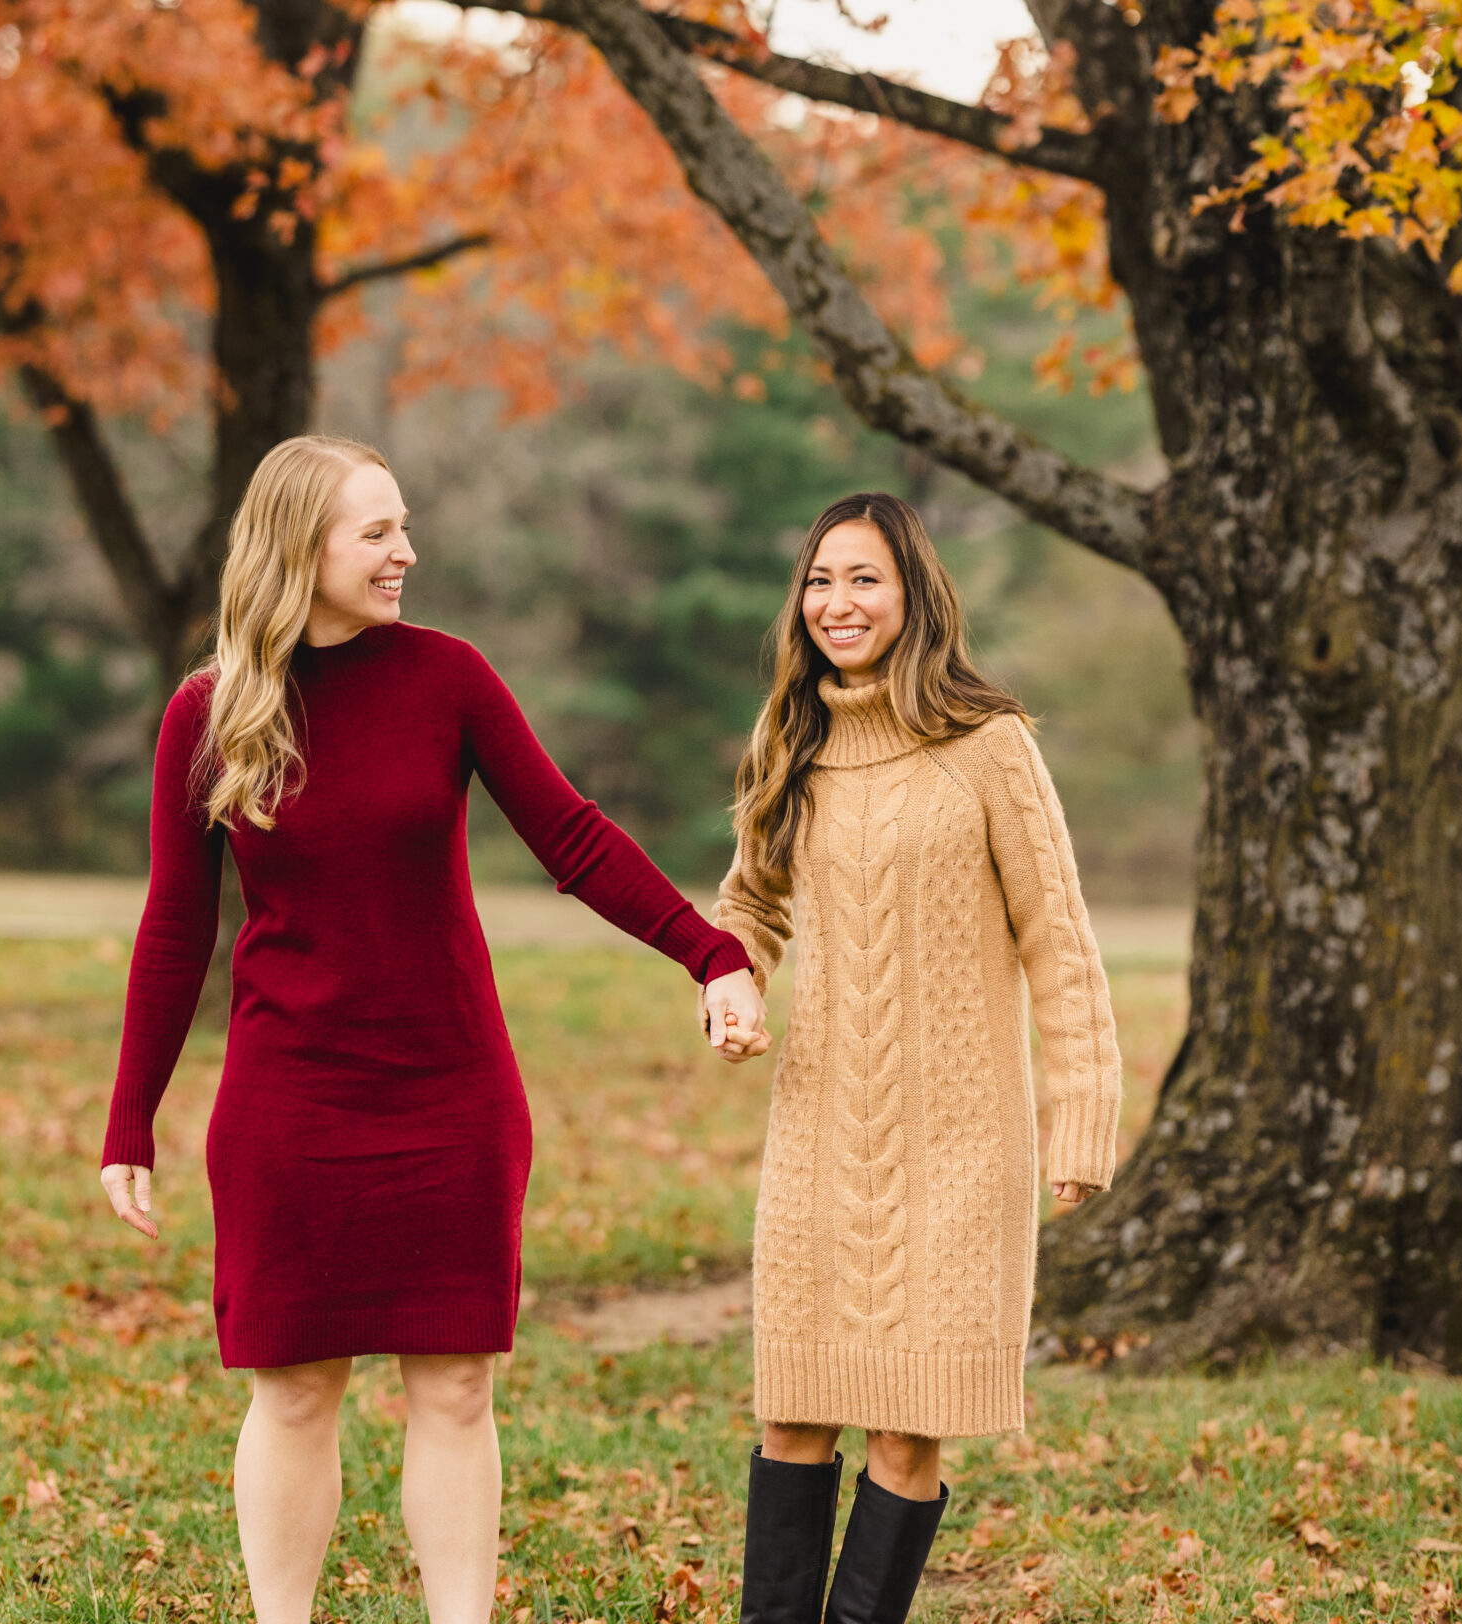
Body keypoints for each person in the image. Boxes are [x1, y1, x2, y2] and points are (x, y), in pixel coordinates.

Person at [99, 434, 766, 1624]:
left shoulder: (448, 676)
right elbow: (173, 928)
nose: (406, 550)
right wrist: (128, 1121)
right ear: (303, 546)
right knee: (295, 1391)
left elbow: (573, 837)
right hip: (290, 1099)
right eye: (377, 531)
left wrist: (708, 951)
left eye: (403, 526)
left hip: (448, 1087)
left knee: (456, 1386)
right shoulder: (209, 711)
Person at [711, 491, 1120, 1624]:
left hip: (961, 1141)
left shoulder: (989, 745)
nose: (838, 602)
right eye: (820, 580)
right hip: (818, 1132)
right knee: (793, 1413)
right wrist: (729, 977)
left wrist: (1081, 1113)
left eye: (865, 578)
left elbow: (1061, 940)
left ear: (914, 593)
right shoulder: (794, 738)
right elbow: (749, 902)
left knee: (907, 1421)